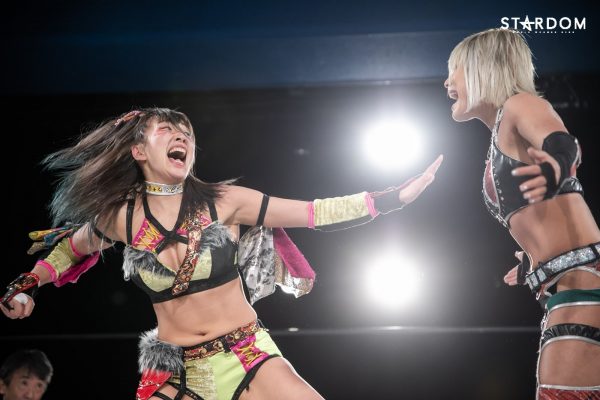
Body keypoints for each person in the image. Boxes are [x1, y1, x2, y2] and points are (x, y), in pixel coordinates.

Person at [0, 107, 442, 400]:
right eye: (166, 130)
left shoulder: (224, 202)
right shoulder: (121, 217)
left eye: (186, 133)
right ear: (138, 151)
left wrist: (391, 199)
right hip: (174, 373)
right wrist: (28, 284)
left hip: (246, 356)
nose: (181, 136)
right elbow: (69, 250)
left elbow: (313, 212)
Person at [445, 28, 600, 398]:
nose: (447, 82)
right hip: (570, 288)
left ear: (484, 68)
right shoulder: (501, 132)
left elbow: (562, 143)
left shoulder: (520, 105)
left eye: (454, 71)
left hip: (585, 287)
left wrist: (554, 167)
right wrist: (535, 263)